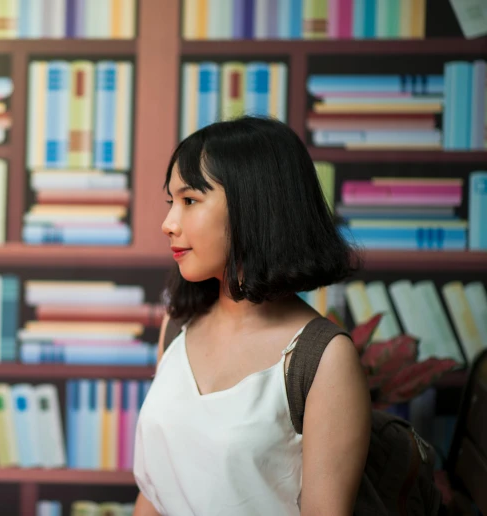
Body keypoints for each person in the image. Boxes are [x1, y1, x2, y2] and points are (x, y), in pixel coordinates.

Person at [132, 116, 372, 516]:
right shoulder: (176, 328)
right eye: (170, 202)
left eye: (189, 201)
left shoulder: (321, 358)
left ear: (254, 208)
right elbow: (155, 495)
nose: (168, 224)